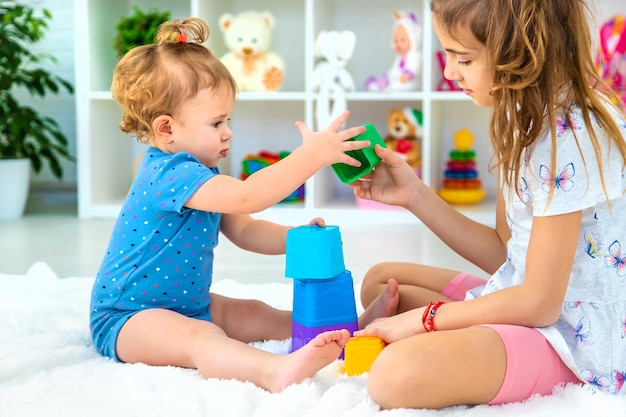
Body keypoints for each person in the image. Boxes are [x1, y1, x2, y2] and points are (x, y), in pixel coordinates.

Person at [352, 0, 626, 410]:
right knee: (381, 281)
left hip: (573, 338)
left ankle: (466, 339)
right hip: (529, 297)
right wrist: (414, 195)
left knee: (395, 375)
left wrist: (424, 320)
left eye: (463, 58)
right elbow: (506, 249)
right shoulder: (524, 112)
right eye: (448, 54)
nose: (448, 72)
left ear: (522, 53)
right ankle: (466, 334)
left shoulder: (565, 136)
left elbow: (539, 302)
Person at [88, 17, 371, 393]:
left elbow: (246, 228)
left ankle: (342, 329)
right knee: (202, 338)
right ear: (167, 129)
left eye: (229, 119)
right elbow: (248, 195)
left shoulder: (202, 173)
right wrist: (311, 156)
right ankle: (273, 371)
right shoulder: (167, 173)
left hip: (188, 303)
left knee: (252, 312)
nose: (228, 132)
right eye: (217, 122)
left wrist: (296, 237)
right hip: (127, 318)